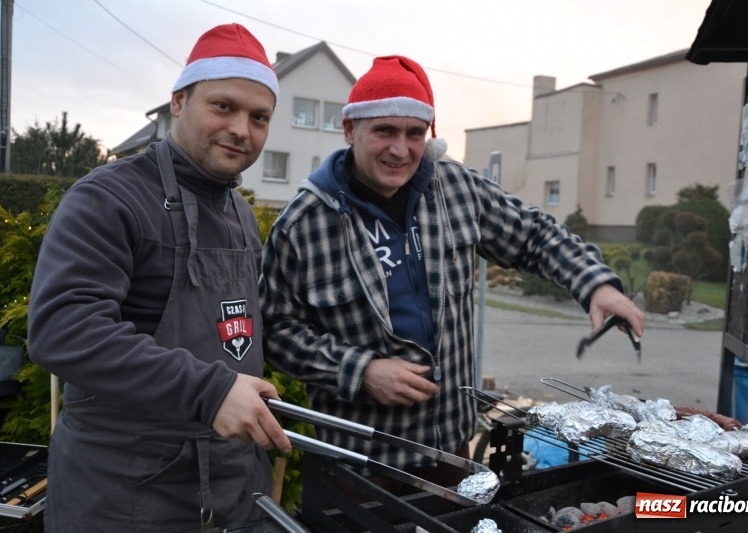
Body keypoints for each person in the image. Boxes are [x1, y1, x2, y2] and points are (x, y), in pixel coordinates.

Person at [259, 55, 645, 491]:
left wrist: (593, 283)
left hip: (451, 449)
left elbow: (533, 235)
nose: (400, 149)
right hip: (358, 459)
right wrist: (360, 370)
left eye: (414, 133)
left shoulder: (456, 189)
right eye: (384, 130)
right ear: (350, 130)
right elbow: (275, 331)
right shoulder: (304, 222)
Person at [27, 23, 291, 532]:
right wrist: (209, 391)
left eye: (259, 118)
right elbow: (64, 329)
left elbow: (236, 336)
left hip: (230, 489)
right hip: (125, 497)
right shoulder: (108, 198)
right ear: (178, 102)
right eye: (223, 106)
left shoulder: (238, 210)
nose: (242, 128)